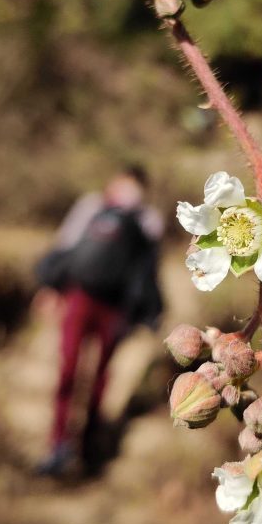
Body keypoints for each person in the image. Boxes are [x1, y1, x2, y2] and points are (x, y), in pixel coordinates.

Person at [35, 164, 164, 476]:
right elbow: (67, 247)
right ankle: (59, 445)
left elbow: (149, 269)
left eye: (134, 185)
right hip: (79, 297)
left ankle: (89, 444)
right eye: (124, 183)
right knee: (68, 367)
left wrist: (144, 312)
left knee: (100, 374)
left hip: (116, 306)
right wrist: (51, 289)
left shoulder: (148, 220)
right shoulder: (91, 206)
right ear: (113, 181)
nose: (127, 190)